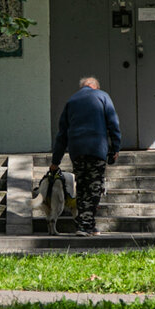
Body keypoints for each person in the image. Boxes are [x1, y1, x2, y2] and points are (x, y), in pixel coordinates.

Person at [49, 76, 122, 236]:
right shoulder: (103, 96)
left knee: (82, 187)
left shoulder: (71, 101)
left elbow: (62, 135)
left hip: (77, 150)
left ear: (83, 87)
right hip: (97, 148)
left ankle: (87, 225)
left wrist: (55, 162)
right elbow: (113, 123)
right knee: (94, 187)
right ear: (95, 87)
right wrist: (115, 147)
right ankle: (84, 226)